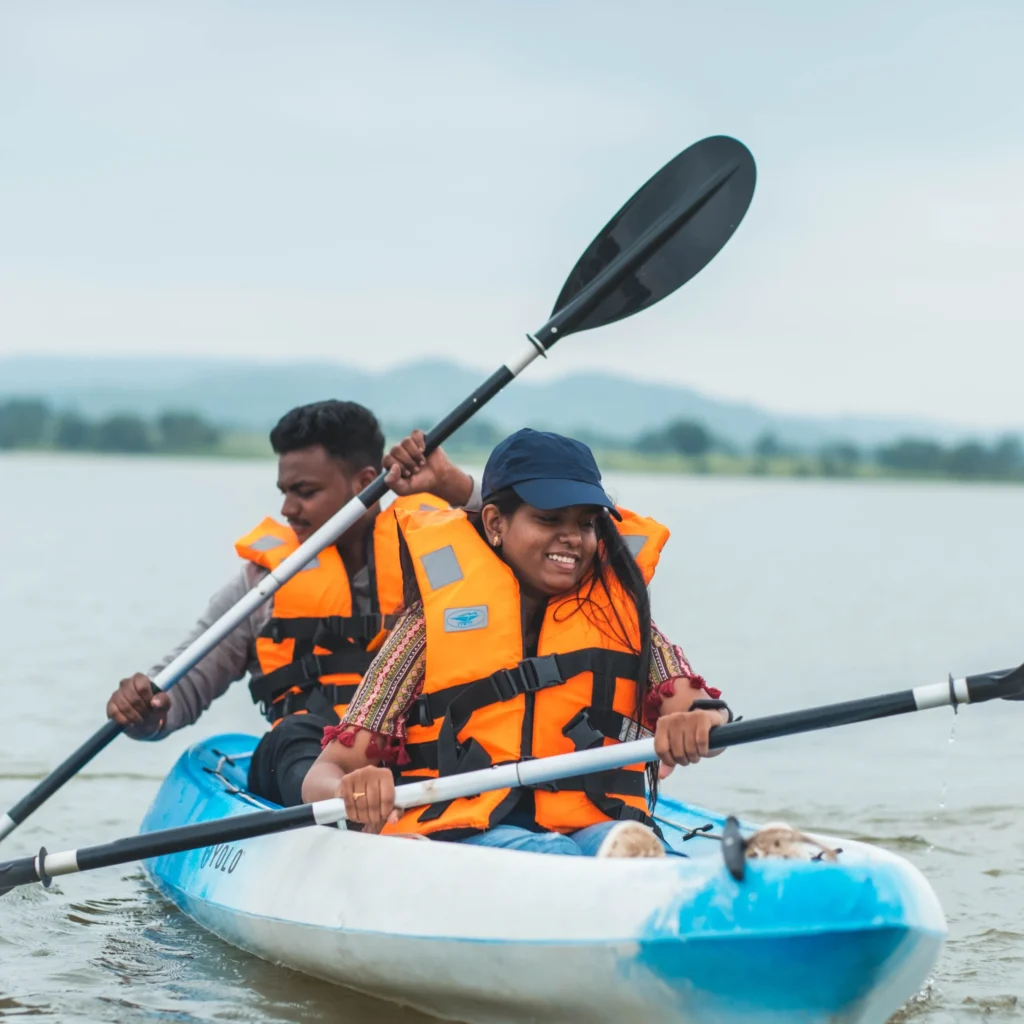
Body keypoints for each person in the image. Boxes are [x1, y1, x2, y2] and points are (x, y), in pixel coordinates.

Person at [303, 428, 735, 858]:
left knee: (609, 843)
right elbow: (326, 771)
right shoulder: (427, 627)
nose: (572, 537)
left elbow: (702, 710)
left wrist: (699, 722)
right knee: (550, 851)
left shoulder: (626, 621)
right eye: (549, 519)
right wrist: (349, 789)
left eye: (586, 524)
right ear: (495, 522)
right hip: (463, 836)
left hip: (596, 826)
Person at [105, 400, 481, 806]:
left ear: (364, 482)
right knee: (291, 734)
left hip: (412, 757)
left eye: (306, 492)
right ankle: (343, 802)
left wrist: (451, 483)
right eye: (285, 493)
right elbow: (185, 686)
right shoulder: (263, 583)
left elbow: (512, 537)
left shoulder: (440, 552)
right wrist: (148, 711)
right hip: (303, 763)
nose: (288, 510)